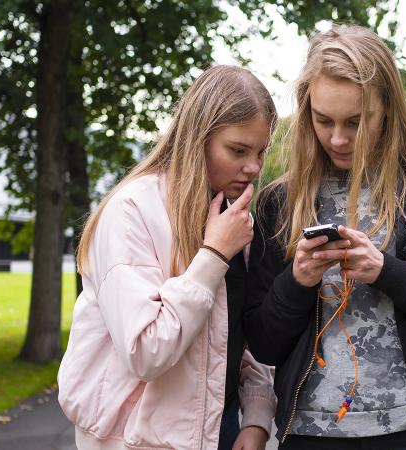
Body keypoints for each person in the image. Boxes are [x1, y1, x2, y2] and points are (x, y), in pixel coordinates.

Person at [244, 25, 406, 450]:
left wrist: (388, 272)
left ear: (387, 107)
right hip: (310, 434)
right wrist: (297, 281)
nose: (338, 138)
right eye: (323, 120)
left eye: (356, 121)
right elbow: (264, 344)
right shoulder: (280, 203)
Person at [58, 65, 277, 450]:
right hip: (132, 439)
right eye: (238, 150)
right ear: (197, 138)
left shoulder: (232, 219)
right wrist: (213, 255)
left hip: (220, 430)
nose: (254, 167)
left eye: (261, 151)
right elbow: (145, 352)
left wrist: (256, 418)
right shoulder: (132, 210)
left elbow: (238, 334)